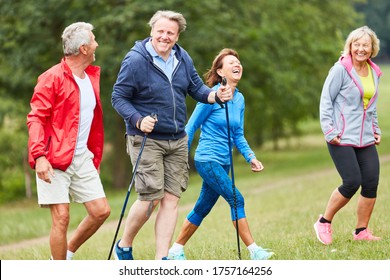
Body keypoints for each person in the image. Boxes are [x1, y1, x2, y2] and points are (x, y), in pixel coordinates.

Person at [111, 10, 232, 260]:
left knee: (171, 199)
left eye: (171, 33)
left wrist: (216, 96)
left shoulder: (181, 57)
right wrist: (137, 119)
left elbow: (197, 89)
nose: (165, 37)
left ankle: (162, 261)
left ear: (177, 36)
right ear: (152, 31)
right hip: (146, 138)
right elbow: (118, 97)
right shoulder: (135, 60)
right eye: (161, 31)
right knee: (149, 198)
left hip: (177, 139)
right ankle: (124, 245)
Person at [168, 48, 274, 260]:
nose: (237, 65)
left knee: (203, 207)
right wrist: (180, 159)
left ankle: (175, 250)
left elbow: (238, 134)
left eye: (238, 61)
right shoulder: (209, 97)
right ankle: (255, 251)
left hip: (224, 162)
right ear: (220, 71)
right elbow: (190, 128)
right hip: (207, 159)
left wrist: (251, 157)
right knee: (237, 199)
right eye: (231, 62)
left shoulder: (240, 99)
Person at [27, 22, 111, 260]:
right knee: (62, 216)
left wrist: (93, 154)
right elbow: (36, 118)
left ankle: (67, 253)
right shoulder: (51, 77)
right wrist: (39, 156)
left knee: (100, 211)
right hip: (53, 157)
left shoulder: (90, 77)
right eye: (93, 40)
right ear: (83, 48)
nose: (97, 44)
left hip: (82, 155)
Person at [314, 26, 382, 245]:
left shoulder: (374, 72)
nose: (361, 49)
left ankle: (361, 231)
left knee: (370, 182)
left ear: (372, 48)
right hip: (340, 136)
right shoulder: (340, 69)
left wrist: (375, 129)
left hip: (365, 137)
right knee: (352, 181)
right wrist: (330, 131)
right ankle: (324, 221)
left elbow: (370, 106)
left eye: (365, 45)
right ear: (350, 46)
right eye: (357, 44)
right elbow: (326, 101)